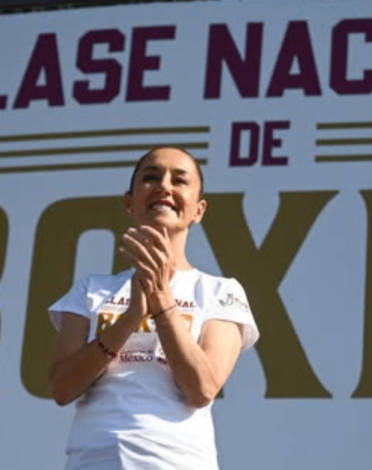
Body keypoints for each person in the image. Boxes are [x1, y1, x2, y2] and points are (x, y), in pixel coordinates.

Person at [48, 146, 259, 470]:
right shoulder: (91, 289)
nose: (164, 186)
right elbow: (62, 388)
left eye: (179, 180)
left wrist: (160, 300)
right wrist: (130, 319)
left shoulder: (220, 291)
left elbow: (202, 388)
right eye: (151, 176)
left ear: (198, 210)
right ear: (129, 202)